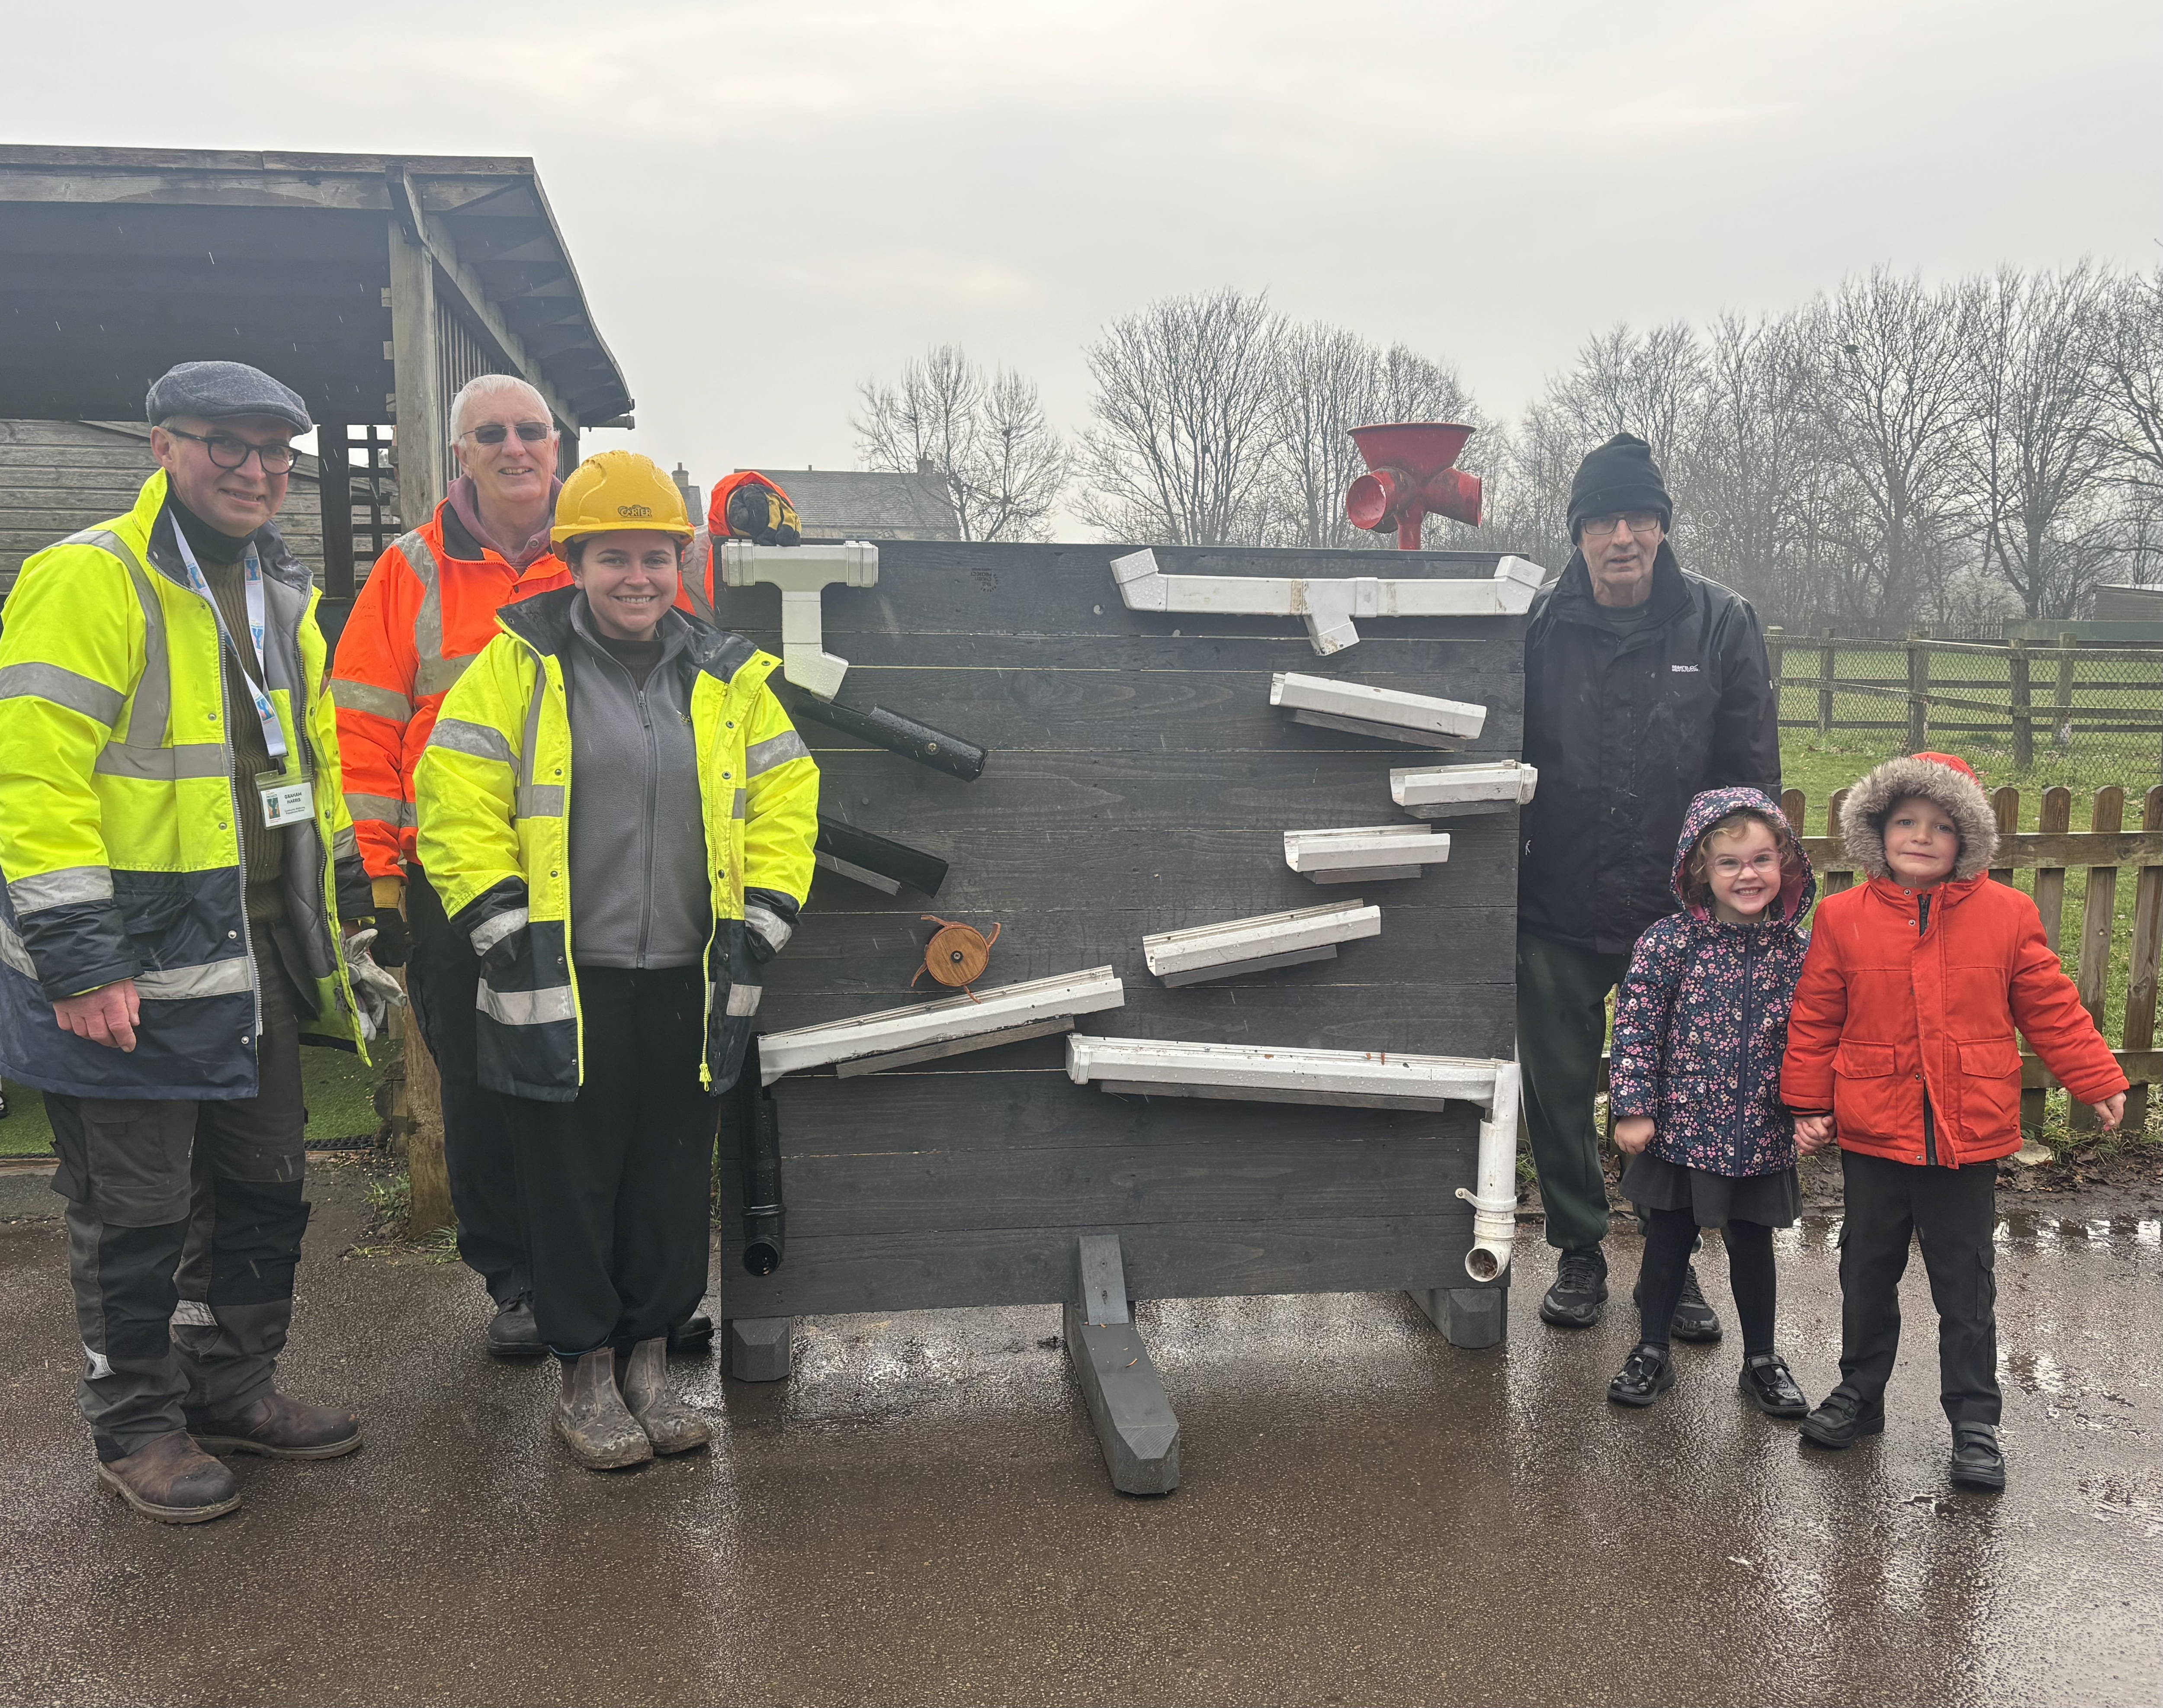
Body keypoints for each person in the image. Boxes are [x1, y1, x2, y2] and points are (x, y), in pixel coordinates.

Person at [0, 361, 392, 1523]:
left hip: (259, 950)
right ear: (164, 445)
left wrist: (350, 906)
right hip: (131, 962)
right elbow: (33, 779)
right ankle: (139, 1426)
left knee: (266, 1181)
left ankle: (232, 1385)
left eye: (276, 448)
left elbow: (300, 765)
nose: (256, 467)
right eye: (228, 441)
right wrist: (79, 957)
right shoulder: (89, 578)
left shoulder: (281, 591)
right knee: (137, 1205)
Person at [414, 452, 818, 1470]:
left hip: (692, 976)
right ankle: (584, 1381)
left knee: (671, 1182)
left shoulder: (729, 676)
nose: (637, 578)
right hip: (559, 978)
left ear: (681, 561)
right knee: (570, 1181)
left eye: (656, 557)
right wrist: (501, 928)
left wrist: (765, 917)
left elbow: (786, 799)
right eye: (614, 559)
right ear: (574, 562)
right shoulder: (514, 666)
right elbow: (454, 803)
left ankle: (647, 1372)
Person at [331, 376, 707, 1360]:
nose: (513, 448)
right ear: (462, 454)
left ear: (557, 443)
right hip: (462, 870)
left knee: (607, 1085)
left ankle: (629, 1285)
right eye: (489, 434)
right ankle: (518, 1280)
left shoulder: (609, 551)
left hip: (598, 870)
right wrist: (379, 877)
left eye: (530, 431)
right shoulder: (411, 572)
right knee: (490, 1083)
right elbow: (362, 728)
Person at [1782, 752, 2127, 1492]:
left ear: (1967, 837)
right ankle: (1859, 1393)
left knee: (1964, 1284)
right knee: (1865, 1270)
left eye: (1941, 826)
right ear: (1878, 831)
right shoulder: (1843, 917)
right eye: (1906, 822)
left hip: (1967, 1136)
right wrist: (1809, 1104)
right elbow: (1816, 1016)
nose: (1921, 836)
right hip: (1875, 1130)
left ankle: (1975, 1420)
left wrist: (2094, 1077)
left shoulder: (2008, 915)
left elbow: (2050, 1006)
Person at [1517, 432, 1780, 1338]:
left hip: (1676, 914)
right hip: (1553, 901)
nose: (1620, 536)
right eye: (1602, 520)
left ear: (1662, 529)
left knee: (1679, 1086)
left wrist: (1741, 897)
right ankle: (1579, 1248)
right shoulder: (1536, 627)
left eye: (1637, 518)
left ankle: (1672, 1257)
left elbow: (1749, 775)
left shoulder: (1718, 622)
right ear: (1579, 533)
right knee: (1556, 1084)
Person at [1604, 789, 1813, 1416]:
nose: (1747, 875)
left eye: (1761, 860)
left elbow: (1817, 1034)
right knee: (1668, 1238)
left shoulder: (1798, 952)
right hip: (1681, 1128)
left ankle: (1762, 1361)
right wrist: (1633, 1106)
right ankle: (1650, 1351)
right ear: (1699, 870)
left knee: (1753, 1244)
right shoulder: (1669, 944)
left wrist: (1812, 1106)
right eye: (1729, 863)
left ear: (1786, 865)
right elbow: (1636, 1027)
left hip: (1762, 1133)